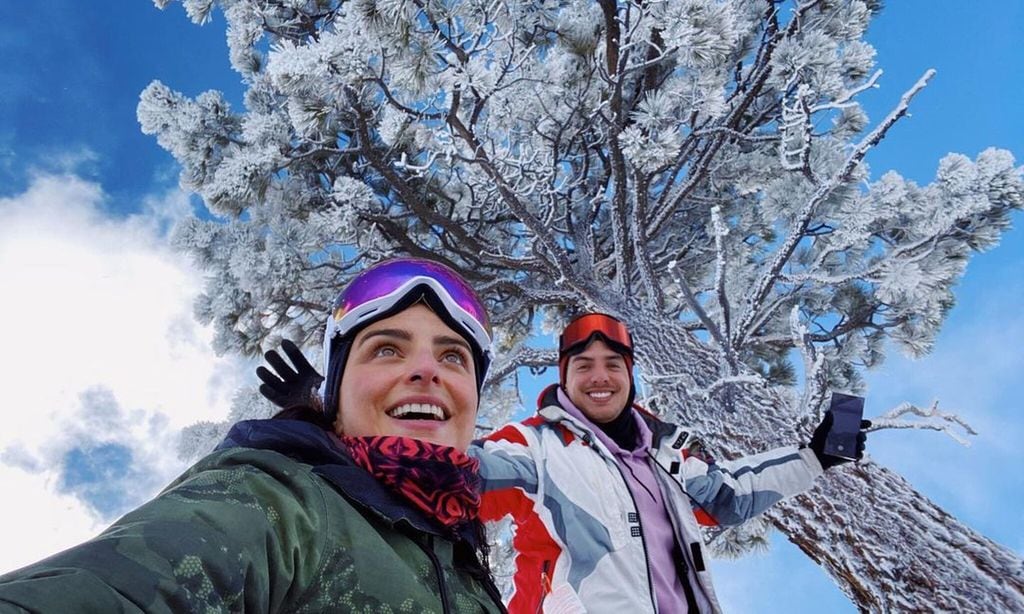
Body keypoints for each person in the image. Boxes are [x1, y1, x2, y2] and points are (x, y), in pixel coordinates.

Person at [257, 315, 869, 614]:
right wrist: (337, 408)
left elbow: (732, 499)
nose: (599, 377)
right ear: (565, 379)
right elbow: (439, 466)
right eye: (583, 366)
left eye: (613, 366)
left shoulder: (669, 455)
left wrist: (816, 456)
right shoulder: (537, 445)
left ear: (630, 377)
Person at [0, 258, 506, 614]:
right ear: (334, 400)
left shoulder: (466, 563)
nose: (426, 370)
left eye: (452, 356)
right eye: (387, 350)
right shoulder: (279, 506)